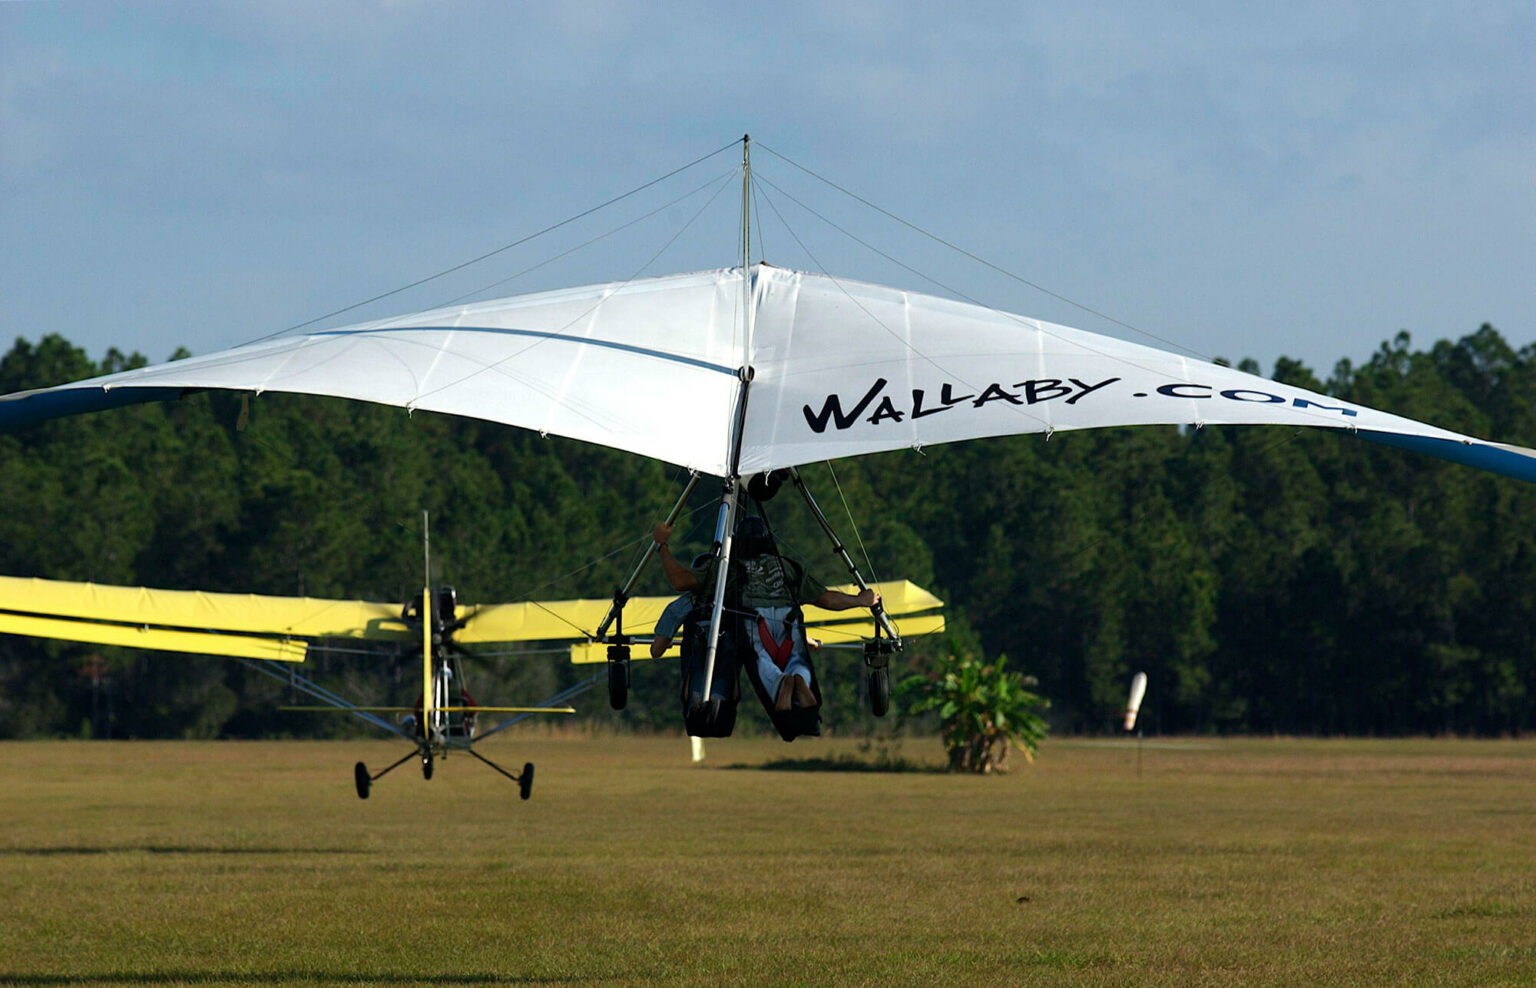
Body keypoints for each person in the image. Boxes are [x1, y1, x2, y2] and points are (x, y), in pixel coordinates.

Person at [653, 518, 879, 712]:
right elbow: (827, 599)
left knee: (763, 665)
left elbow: (681, 583)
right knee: (791, 662)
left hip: (749, 635)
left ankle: (783, 684)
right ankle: (795, 684)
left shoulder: (725, 573)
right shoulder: (786, 568)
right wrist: (860, 601)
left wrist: (661, 544)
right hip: (784, 632)